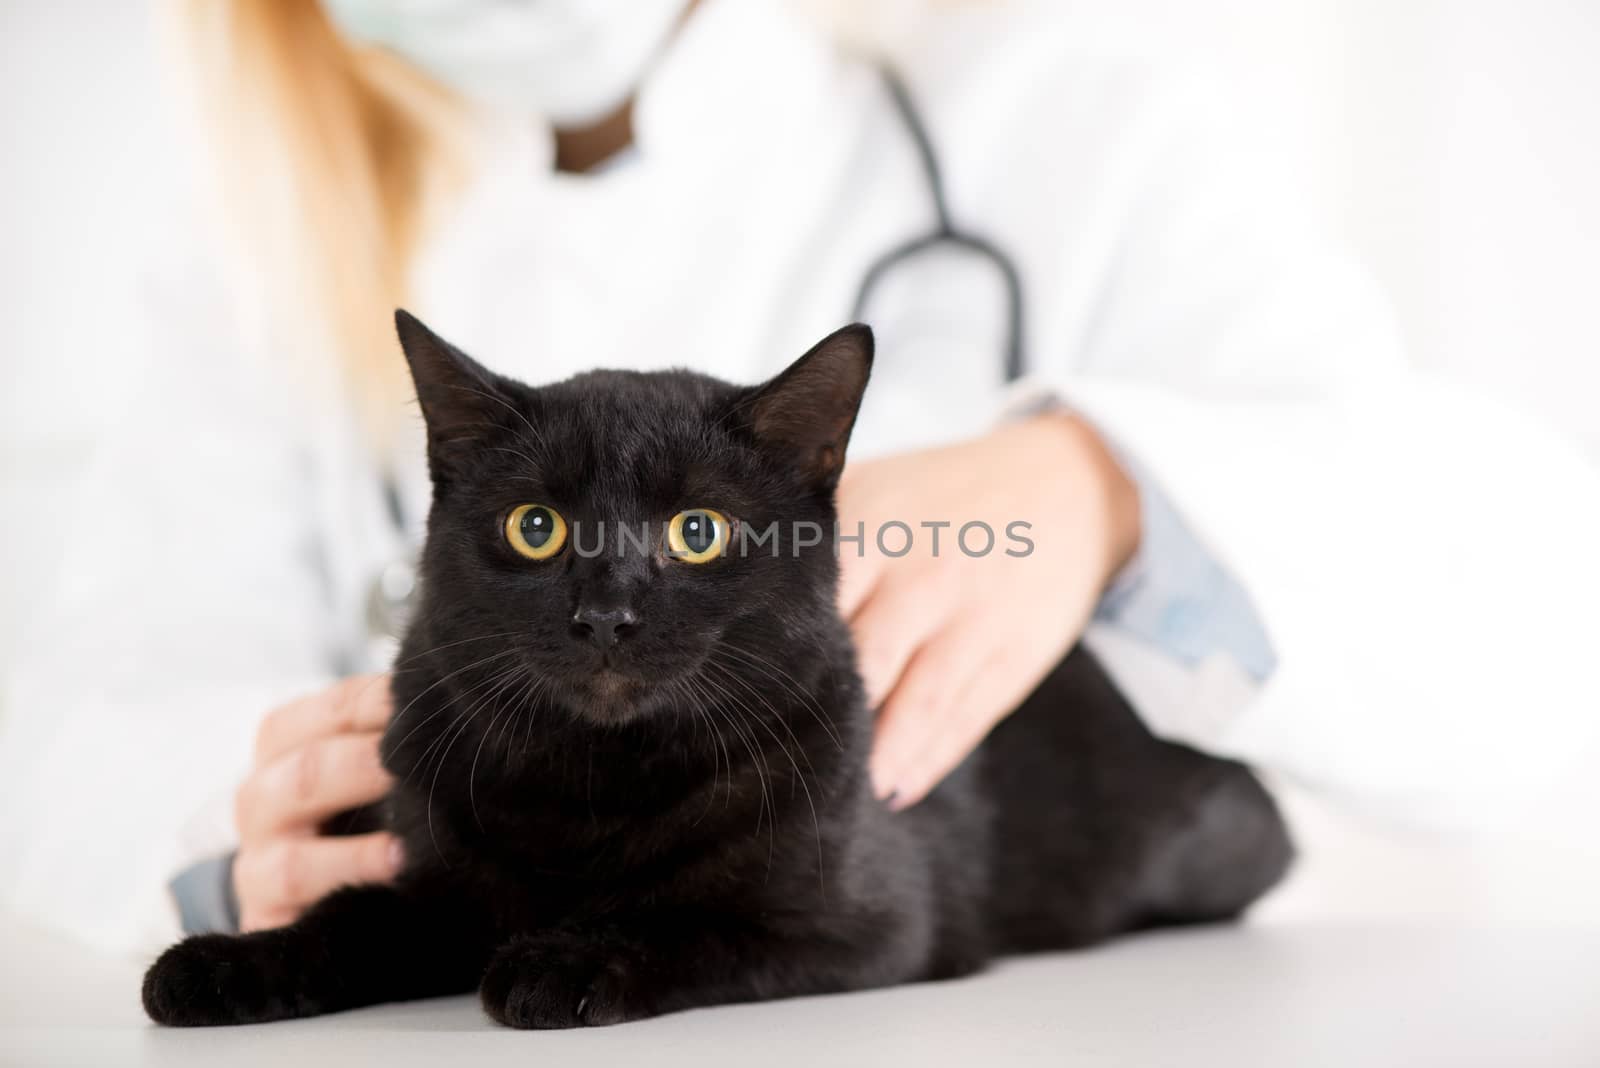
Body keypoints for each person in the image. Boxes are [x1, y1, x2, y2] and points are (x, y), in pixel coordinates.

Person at [3, 0, 1598, 954]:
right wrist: (246, 831)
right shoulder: (251, 263)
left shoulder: (1049, 112)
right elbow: (85, 733)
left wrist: (1104, 487)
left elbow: (1534, 617)